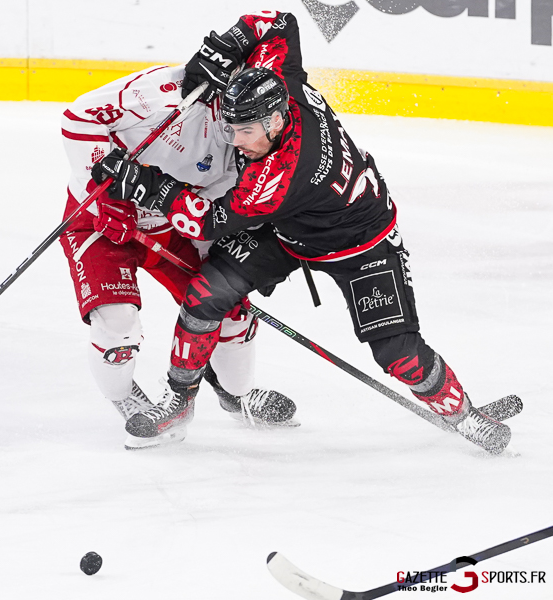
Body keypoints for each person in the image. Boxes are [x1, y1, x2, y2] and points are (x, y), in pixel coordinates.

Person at [90, 11, 511, 453]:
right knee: (206, 295)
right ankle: (178, 401)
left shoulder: (277, 178)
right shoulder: (282, 83)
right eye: (230, 128)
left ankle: (467, 418)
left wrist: (148, 185)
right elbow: (277, 22)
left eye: (245, 131)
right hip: (293, 228)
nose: (235, 141)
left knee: (397, 353)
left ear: (273, 123)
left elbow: (206, 220)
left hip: (362, 245)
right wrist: (222, 49)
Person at [59, 62, 297, 448]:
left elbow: (219, 213)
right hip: (100, 221)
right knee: (117, 325)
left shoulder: (256, 148)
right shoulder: (166, 92)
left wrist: (248, 264)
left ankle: (236, 394)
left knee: (228, 306)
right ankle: (127, 400)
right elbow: (80, 118)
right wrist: (100, 195)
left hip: (173, 229)